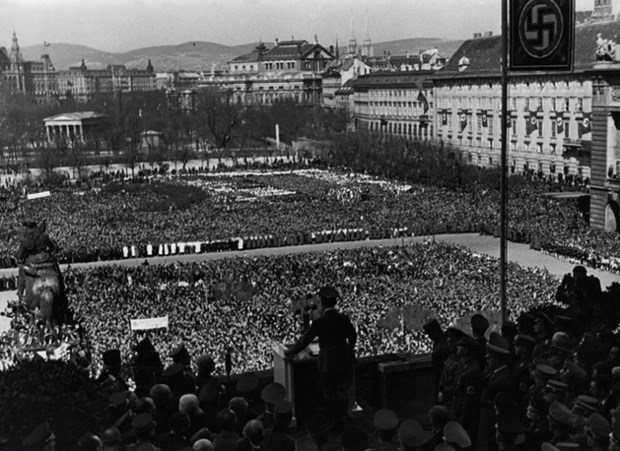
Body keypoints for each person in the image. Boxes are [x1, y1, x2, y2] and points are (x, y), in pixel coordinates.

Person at [284, 286, 357, 420]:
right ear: (335, 303)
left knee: (329, 390)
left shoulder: (320, 322)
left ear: (322, 303)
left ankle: (333, 419)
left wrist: (291, 352)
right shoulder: (343, 318)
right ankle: (343, 417)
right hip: (344, 359)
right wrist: (347, 350)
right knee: (343, 390)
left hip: (328, 361)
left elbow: (305, 339)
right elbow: (353, 336)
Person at [15, 218, 60, 301]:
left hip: (33, 263)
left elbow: (19, 255)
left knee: (21, 271)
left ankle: (20, 293)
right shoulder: (44, 236)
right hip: (46, 260)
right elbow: (53, 248)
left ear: (27, 227)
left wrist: (20, 257)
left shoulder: (25, 240)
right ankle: (62, 287)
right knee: (55, 266)